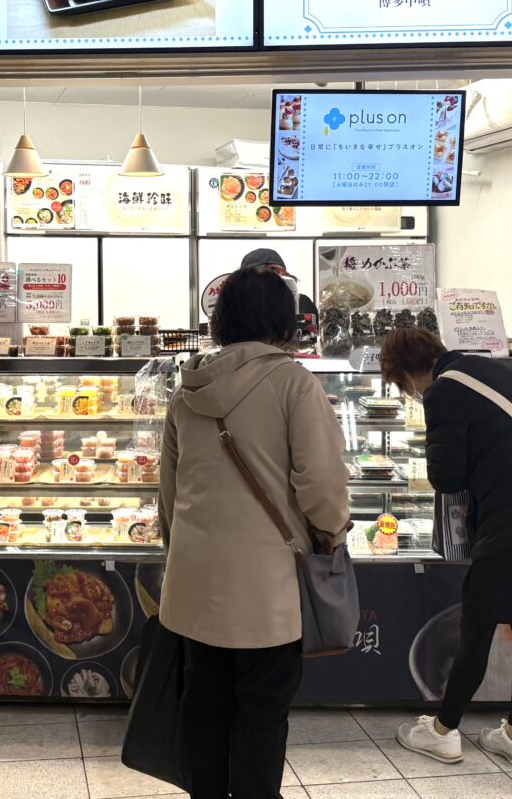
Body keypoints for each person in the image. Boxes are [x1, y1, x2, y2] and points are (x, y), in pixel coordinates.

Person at [158, 266, 350, 798]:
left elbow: (169, 494)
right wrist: (330, 535)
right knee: (261, 716)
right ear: (285, 323)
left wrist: (181, 554)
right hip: (268, 593)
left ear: (220, 321)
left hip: (195, 588)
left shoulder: (187, 389)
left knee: (203, 707)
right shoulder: (294, 384)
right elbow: (322, 485)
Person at [380, 328, 512, 771]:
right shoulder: (489, 370)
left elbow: (446, 477)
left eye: (402, 385)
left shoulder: (442, 392)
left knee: (476, 625)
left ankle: (442, 732)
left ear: (406, 374)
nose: (410, 393)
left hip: (511, 519)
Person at [240, 248, 318, 317]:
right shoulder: (238, 303)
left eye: (281, 271)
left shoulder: (301, 302)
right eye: (272, 270)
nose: (278, 276)